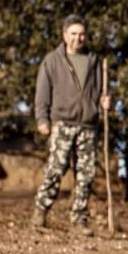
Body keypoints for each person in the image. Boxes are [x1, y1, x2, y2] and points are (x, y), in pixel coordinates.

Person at [29, 14, 110, 235]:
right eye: (73, 34)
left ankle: (79, 221)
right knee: (55, 169)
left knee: (86, 175)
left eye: (82, 34)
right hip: (63, 123)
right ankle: (40, 211)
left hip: (87, 125)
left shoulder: (94, 61)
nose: (78, 38)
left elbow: (102, 91)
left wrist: (105, 101)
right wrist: (42, 119)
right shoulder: (52, 60)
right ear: (65, 35)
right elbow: (42, 92)